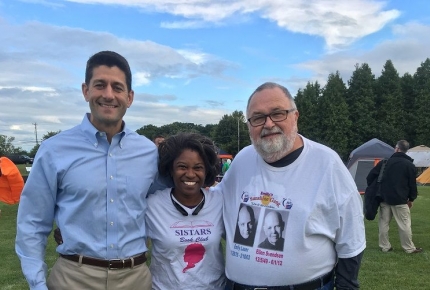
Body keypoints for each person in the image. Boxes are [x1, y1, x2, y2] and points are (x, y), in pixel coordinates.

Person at [15, 51, 158, 290]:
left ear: (130, 97)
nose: (109, 95)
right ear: (86, 91)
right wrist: (37, 284)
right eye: (100, 85)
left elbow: (164, 204)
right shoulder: (54, 150)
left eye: (118, 87)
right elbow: (32, 223)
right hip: (74, 278)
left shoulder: (149, 153)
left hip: (135, 279)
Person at [216, 82, 366, 290]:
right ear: (249, 125)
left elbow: (352, 238)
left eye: (277, 113)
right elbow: (214, 204)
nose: (268, 124)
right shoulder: (242, 160)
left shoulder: (326, 163)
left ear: (295, 116)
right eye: (258, 118)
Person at [146, 132, 225, 289]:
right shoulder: (152, 206)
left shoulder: (220, 202)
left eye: (198, 168)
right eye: (182, 167)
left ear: (207, 171)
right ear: (170, 170)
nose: (190, 174)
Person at [367, 140, 422, 254]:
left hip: (384, 198)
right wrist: (411, 199)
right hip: (400, 200)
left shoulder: (385, 163)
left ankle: (384, 246)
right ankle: (408, 248)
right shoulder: (409, 165)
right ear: (405, 150)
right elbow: (412, 185)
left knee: (384, 223)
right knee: (404, 224)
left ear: (397, 149)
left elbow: (370, 177)